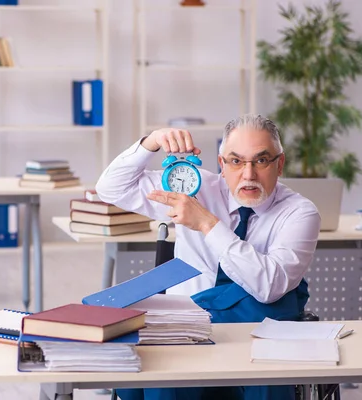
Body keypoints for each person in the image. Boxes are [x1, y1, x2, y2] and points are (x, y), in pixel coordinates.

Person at [95, 114, 321, 400]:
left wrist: (207, 224)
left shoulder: (299, 213)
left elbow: (269, 286)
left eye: (261, 161)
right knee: (159, 374)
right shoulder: (193, 187)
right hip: (184, 334)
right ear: (221, 164)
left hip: (253, 341)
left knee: (268, 380)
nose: (248, 174)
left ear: (280, 164)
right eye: (236, 161)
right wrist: (150, 142)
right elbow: (111, 188)